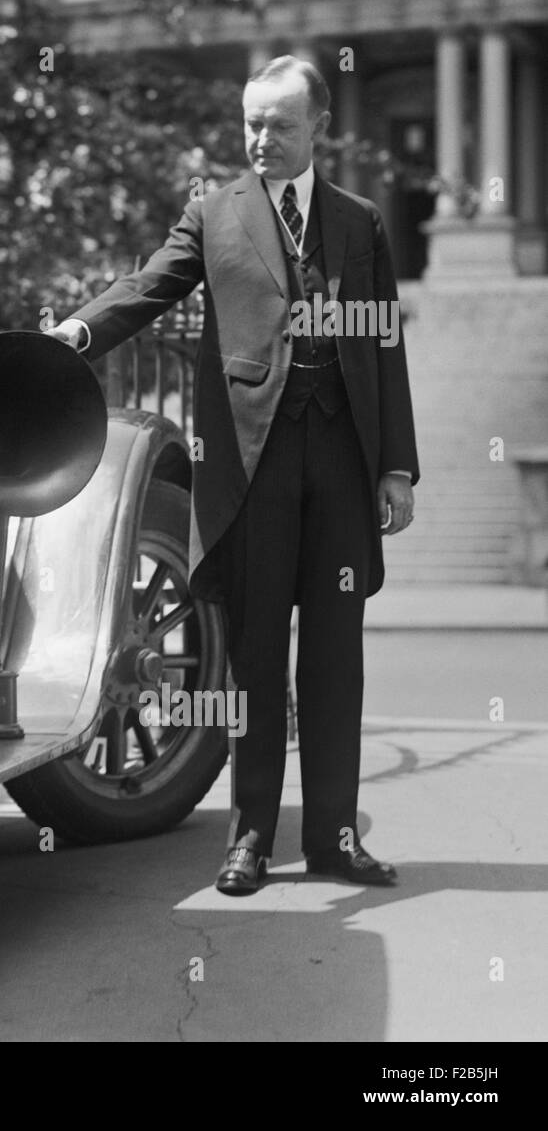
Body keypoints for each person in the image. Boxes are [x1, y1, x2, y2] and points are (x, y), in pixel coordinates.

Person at [49, 56, 419, 894]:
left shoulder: (360, 222)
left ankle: (332, 839)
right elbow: (148, 286)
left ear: (317, 125)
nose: (260, 138)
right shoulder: (213, 214)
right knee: (255, 662)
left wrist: (397, 466)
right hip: (252, 465)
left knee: (335, 661)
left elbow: (387, 346)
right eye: (251, 122)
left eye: (279, 124)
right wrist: (77, 331)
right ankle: (249, 838)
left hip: (343, 456)